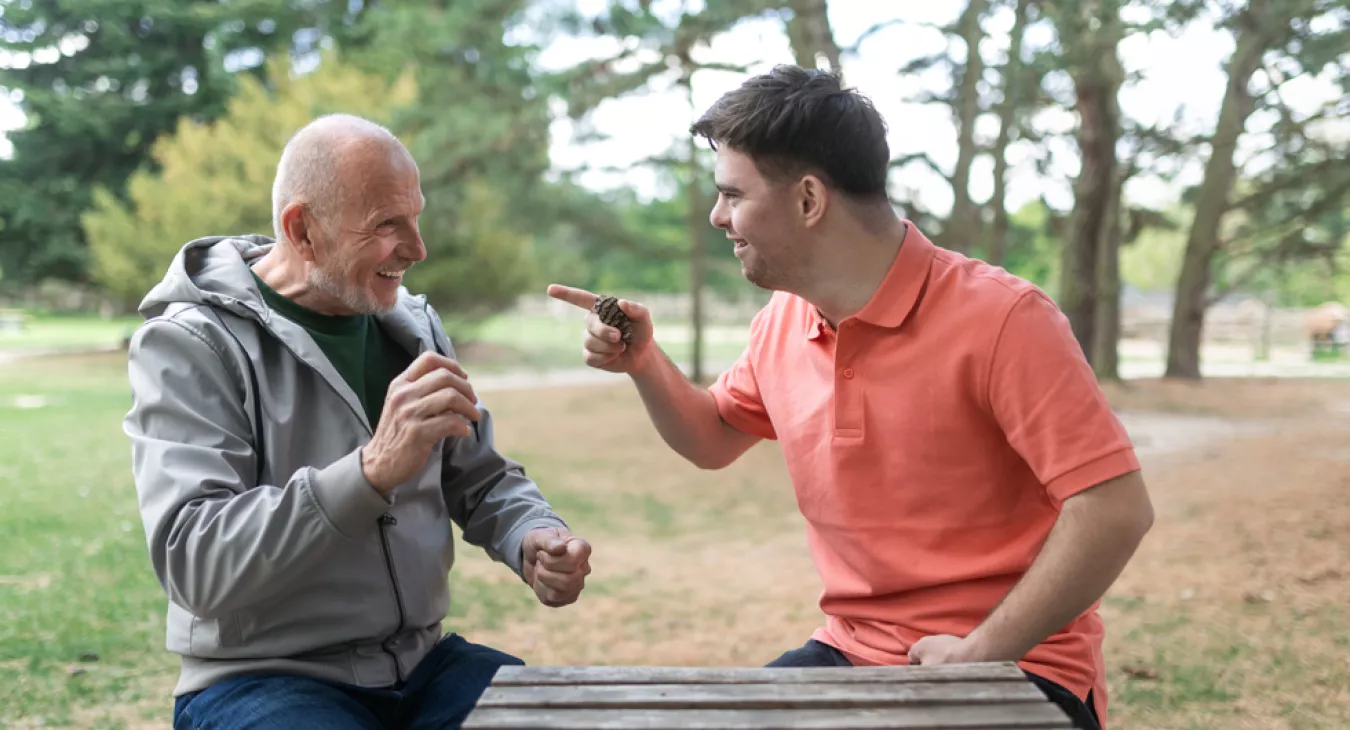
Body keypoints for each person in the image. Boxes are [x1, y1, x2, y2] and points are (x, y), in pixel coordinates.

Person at [547, 65, 1153, 730]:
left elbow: (1113, 510)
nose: (718, 216)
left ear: (809, 200)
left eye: (732, 195)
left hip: (1020, 666)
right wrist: (644, 363)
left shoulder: (1005, 318)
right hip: (852, 651)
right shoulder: (785, 317)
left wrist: (981, 653)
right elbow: (714, 436)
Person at [124, 114, 593, 730]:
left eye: (415, 218)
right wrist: (369, 472)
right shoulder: (190, 345)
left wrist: (533, 537)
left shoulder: (415, 326)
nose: (417, 249)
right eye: (386, 226)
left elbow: (479, 477)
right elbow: (196, 563)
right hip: (262, 680)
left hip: (424, 667)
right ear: (302, 229)